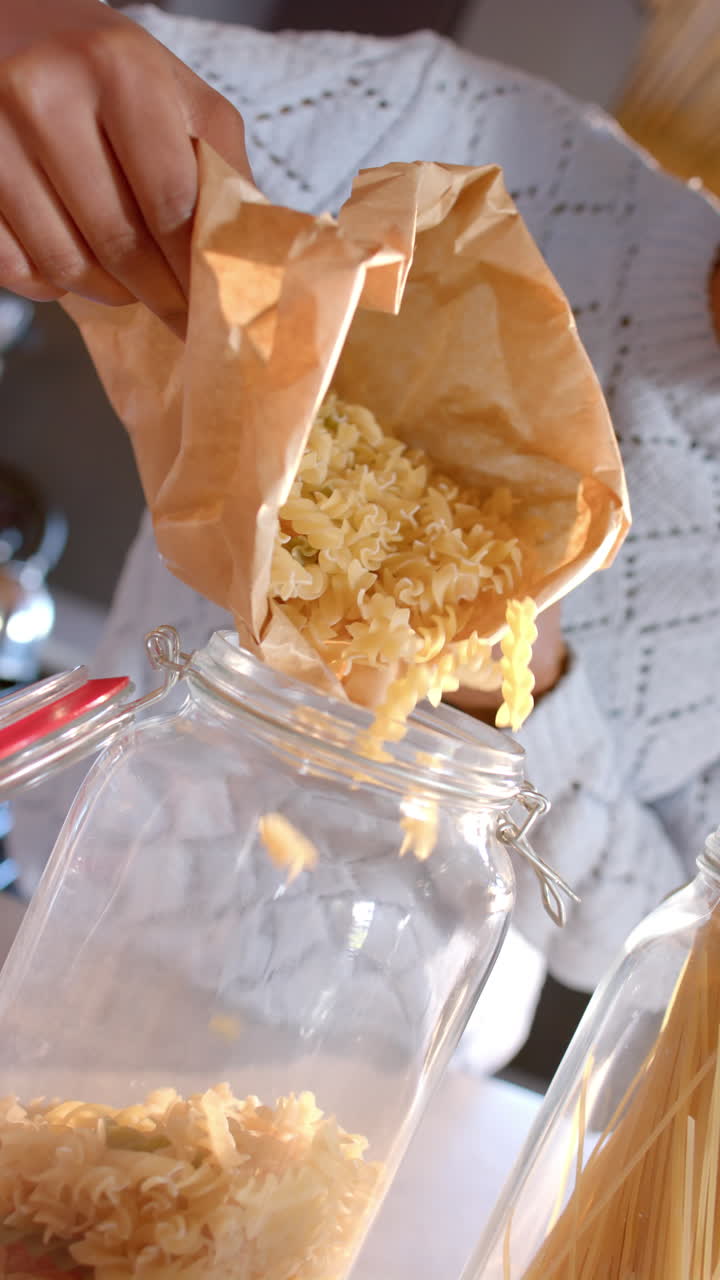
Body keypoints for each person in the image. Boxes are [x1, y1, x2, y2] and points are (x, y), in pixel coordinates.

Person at [2, 0, 720, 1072]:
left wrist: (520, 688)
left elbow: (660, 941)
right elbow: (67, 98)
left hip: (384, 1064)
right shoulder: (455, 130)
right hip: (76, 916)